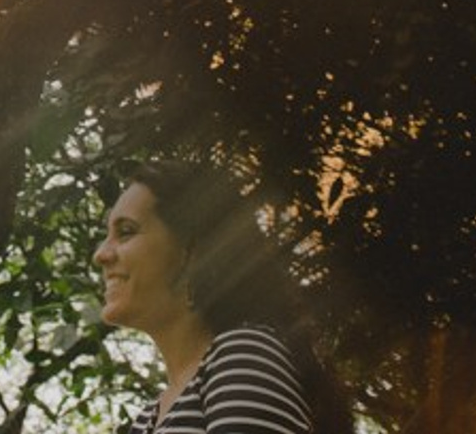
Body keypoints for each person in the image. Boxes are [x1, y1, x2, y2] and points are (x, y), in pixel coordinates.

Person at [94, 161, 351, 434]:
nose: (100, 255)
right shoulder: (146, 420)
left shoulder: (242, 355)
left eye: (126, 232)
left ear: (192, 252)